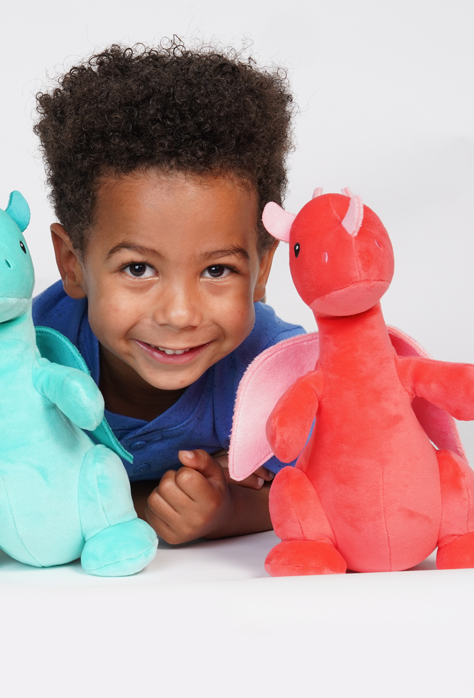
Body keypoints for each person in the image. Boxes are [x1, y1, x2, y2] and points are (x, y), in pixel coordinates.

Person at [32, 39, 304, 545]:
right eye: (138, 268)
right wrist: (140, 503)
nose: (180, 314)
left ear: (263, 269)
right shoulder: (38, 353)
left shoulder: (272, 371)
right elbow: (11, 473)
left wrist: (232, 510)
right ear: (73, 264)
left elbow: (332, 482)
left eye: (218, 271)